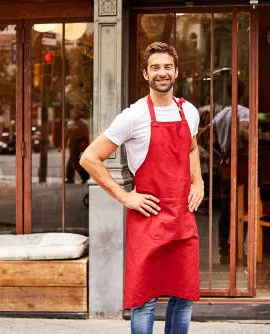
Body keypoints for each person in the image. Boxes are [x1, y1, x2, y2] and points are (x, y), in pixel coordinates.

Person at [80, 42, 203, 334]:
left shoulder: (190, 112)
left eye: (167, 67)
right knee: (145, 299)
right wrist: (125, 196)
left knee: (184, 297)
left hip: (183, 217)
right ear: (146, 74)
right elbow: (89, 158)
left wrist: (197, 180)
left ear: (176, 72)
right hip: (149, 217)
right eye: (156, 68)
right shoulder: (133, 116)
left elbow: (191, 148)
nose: (162, 73)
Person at [210, 80, 249, 259]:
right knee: (243, 205)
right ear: (243, 92)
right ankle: (239, 243)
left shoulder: (220, 115)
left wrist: (219, 149)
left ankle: (223, 244)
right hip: (239, 161)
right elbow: (243, 131)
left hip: (224, 163)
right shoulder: (243, 112)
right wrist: (253, 138)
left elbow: (208, 137)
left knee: (226, 205)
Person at [65, 114, 90, 184]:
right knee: (72, 162)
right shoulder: (81, 125)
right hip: (75, 146)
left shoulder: (75, 125)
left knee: (75, 162)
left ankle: (84, 176)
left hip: (75, 146)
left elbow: (67, 135)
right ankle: (71, 178)